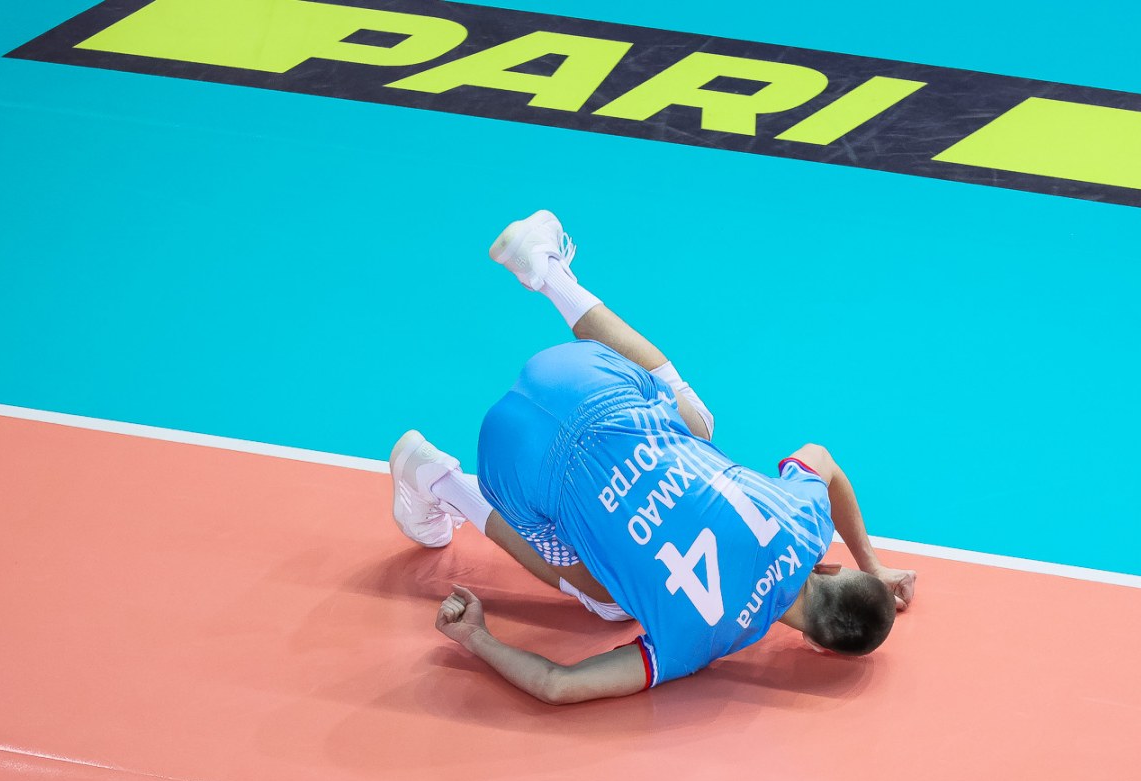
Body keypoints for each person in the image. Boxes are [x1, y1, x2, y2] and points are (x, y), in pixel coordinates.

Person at [389, 210, 916, 704]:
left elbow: (822, 458)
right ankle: (435, 476)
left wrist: (873, 562)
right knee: (610, 603)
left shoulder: (806, 517)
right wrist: (475, 636)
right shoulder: (694, 643)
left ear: (830, 566)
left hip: (580, 374)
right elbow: (557, 684)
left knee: (699, 426)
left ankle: (548, 274)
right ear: (817, 645)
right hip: (509, 456)